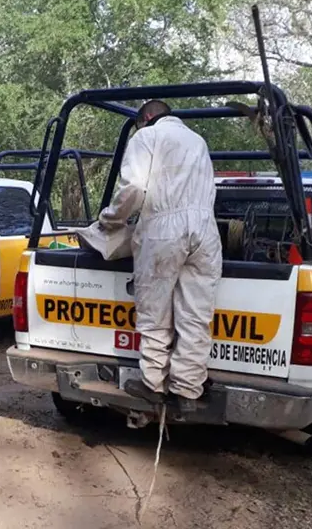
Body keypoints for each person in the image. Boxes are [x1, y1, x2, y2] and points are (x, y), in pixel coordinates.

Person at [98, 100, 223, 414]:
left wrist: (110, 219)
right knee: (195, 315)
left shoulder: (145, 137)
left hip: (164, 229)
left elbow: (135, 189)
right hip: (206, 231)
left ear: (147, 118)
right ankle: (188, 389)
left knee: (154, 312)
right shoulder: (198, 140)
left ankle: (153, 383)